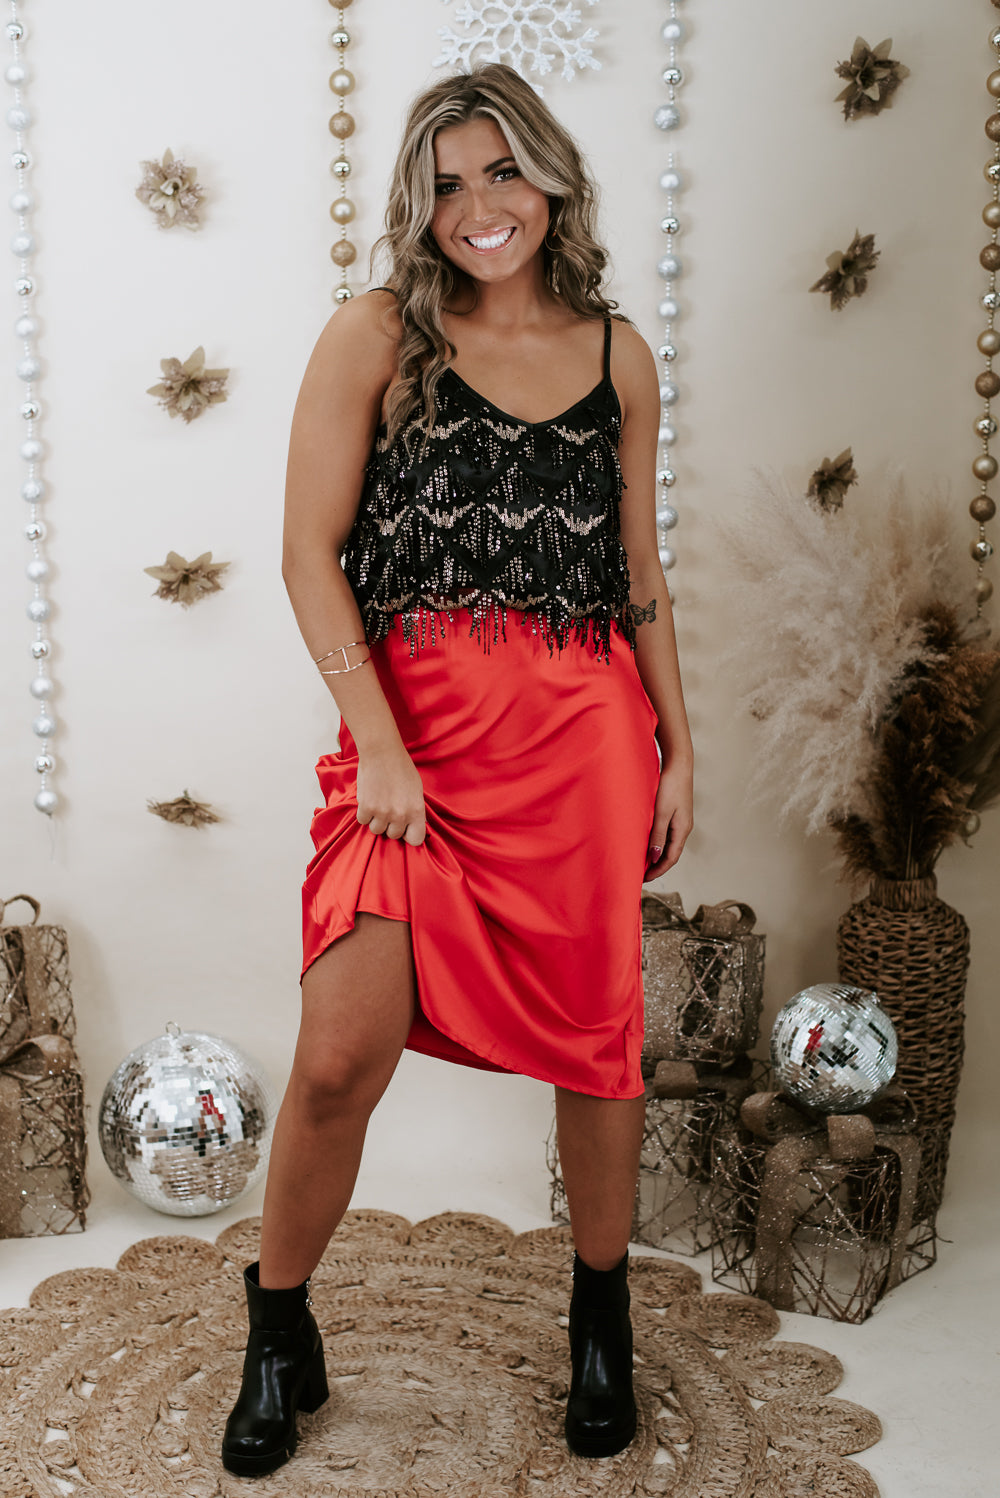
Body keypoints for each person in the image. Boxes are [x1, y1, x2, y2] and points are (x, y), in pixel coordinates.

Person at [221, 62, 693, 1477]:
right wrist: (377, 742)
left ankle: (599, 1320)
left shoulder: (619, 357)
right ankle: (277, 1324)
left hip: (586, 752)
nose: (480, 207)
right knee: (336, 1057)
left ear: (550, 180)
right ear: (417, 207)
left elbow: (638, 574)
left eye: (503, 172)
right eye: (446, 185)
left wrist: (681, 746)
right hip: (410, 756)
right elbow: (308, 555)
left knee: (598, 1043)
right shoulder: (376, 333)